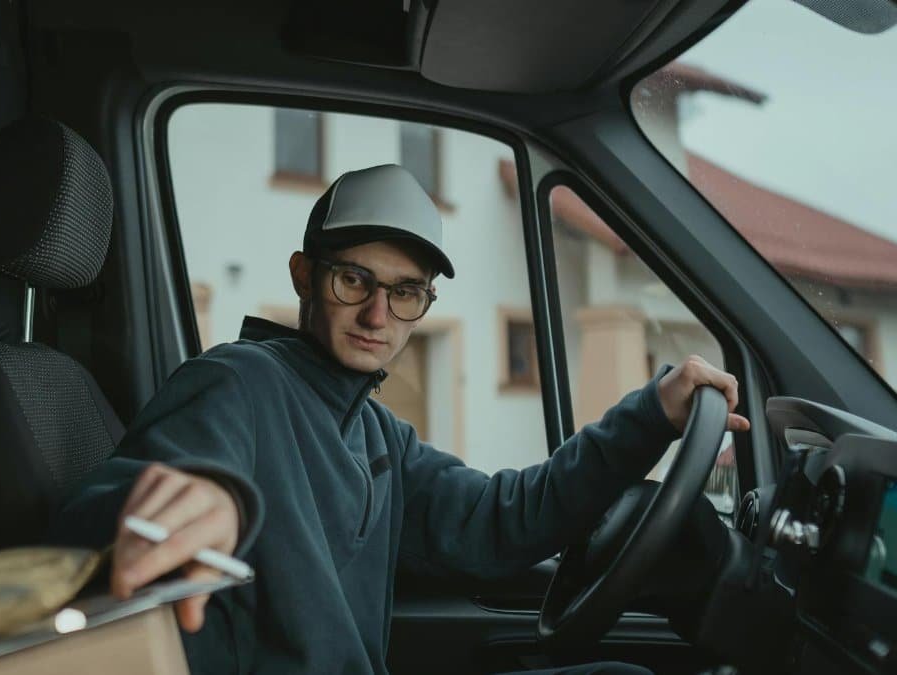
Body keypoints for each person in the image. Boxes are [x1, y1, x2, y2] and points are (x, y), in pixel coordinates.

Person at [52, 164, 750, 674]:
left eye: (406, 291)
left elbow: (500, 521)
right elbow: (113, 507)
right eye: (354, 279)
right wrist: (187, 503)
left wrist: (651, 415)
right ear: (304, 275)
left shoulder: (377, 435)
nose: (378, 314)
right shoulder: (237, 381)